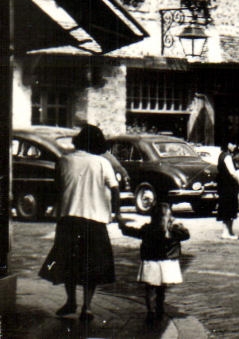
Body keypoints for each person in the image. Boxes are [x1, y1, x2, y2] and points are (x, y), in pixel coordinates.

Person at [38, 123, 123, 321]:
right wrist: (116, 214)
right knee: (91, 265)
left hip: (68, 218)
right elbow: (115, 190)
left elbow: (57, 188)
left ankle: (70, 301)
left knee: (68, 262)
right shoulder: (102, 163)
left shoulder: (63, 160)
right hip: (94, 221)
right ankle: (87, 307)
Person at [120, 197, 189, 325]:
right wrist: (178, 223)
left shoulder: (148, 229)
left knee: (149, 289)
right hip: (166, 264)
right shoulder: (173, 231)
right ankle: (160, 310)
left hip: (151, 263)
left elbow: (133, 232)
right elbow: (186, 235)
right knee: (161, 289)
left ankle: (150, 312)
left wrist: (123, 226)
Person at [216, 139, 239, 239]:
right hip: (228, 186)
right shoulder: (227, 156)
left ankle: (230, 232)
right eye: (232, 143)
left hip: (223, 186)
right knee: (229, 208)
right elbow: (232, 172)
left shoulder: (221, 155)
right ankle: (226, 232)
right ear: (227, 144)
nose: (234, 146)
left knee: (227, 208)